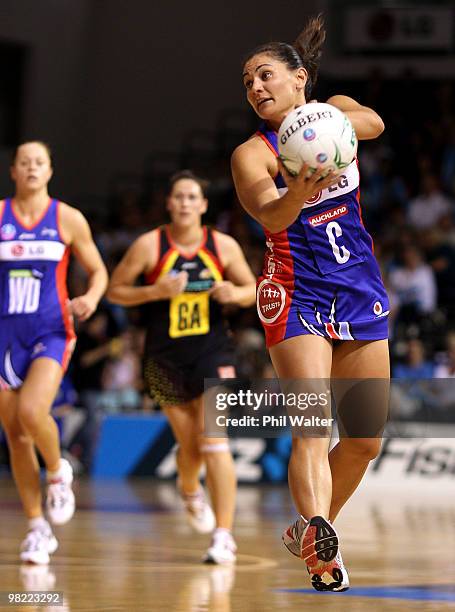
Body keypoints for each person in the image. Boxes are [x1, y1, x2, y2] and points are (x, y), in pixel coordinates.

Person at [231, 15, 389, 591]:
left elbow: (372, 122)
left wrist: (320, 128)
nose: (255, 88)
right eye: (248, 82)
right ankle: (323, 550)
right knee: (313, 426)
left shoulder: (332, 111)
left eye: (265, 75)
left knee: (366, 439)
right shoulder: (252, 154)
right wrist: (300, 182)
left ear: (300, 78)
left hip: (357, 284)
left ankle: (310, 528)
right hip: (294, 289)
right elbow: (270, 214)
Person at [107, 170, 256, 564]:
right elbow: (115, 291)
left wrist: (235, 293)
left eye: (193, 197)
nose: (186, 203)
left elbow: (255, 288)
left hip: (213, 352)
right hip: (164, 359)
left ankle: (224, 535)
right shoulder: (149, 245)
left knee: (214, 441)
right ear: (169, 204)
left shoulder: (221, 246)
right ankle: (189, 488)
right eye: (179, 196)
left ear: (204, 205)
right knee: (190, 445)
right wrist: (154, 291)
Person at [0, 141, 108, 564]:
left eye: (38, 162)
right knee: (15, 433)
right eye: (23, 162)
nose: (31, 168)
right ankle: (36, 527)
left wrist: (91, 298)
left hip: (51, 331)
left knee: (31, 413)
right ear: (13, 171)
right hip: (6, 334)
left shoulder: (66, 218)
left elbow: (98, 270)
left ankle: (58, 471)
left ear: (49, 170)